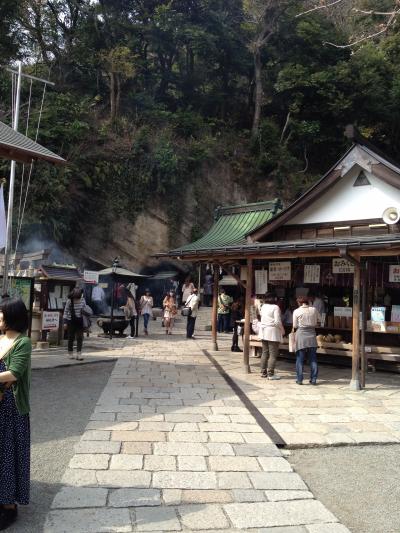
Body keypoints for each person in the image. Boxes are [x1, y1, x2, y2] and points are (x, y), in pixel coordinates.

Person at [0, 298, 32, 530]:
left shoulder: (23, 342)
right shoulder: (0, 338)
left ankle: (9, 507)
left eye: (1, 314)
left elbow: (14, 373)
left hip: (11, 408)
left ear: (12, 317)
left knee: (9, 455)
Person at [292, 295, 320, 385]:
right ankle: (313, 379)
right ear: (308, 302)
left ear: (299, 303)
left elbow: (295, 325)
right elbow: (319, 320)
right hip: (312, 334)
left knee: (300, 359)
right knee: (313, 359)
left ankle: (299, 379)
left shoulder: (296, 311)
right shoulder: (314, 310)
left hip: (301, 335)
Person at [258, 292, 285, 379]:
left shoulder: (263, 306)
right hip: (272, 332)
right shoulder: (275, 307)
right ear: (274, 298)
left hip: (264, 331)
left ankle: (263, 372)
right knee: (273, 354)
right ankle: (271, 374)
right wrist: (282, 329)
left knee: (264, 352)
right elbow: (277, 321)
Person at [63, 288, 87, 360]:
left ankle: (79, 354)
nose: (76, 300)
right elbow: (65, 311)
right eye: (75, 298)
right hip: (71, 321)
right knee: (71, 337)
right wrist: (65, 322)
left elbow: (85, 309)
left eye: (77, 298)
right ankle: (70, 353)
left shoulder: (83, 300)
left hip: (80, 321)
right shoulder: (69, 301)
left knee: (80, 337)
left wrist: (84, 311)